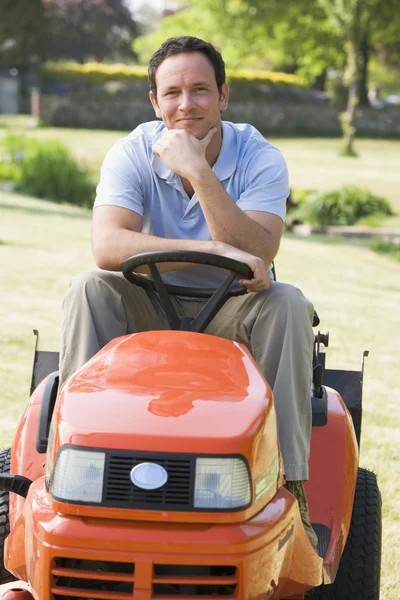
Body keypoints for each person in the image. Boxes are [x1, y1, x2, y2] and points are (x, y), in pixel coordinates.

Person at [60, 36, 317, 549]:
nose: (186, 104)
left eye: (200, 90)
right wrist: (221, 252)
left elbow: (259, 249)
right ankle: (71, 464)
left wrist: (198, 172)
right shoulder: (132, 151)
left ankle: (290, 486)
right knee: (89, 287)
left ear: (224, 95)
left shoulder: (260, 156)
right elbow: (108, 245)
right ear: (155, 103)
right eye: (172, 93)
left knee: (287, 300)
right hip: (146, 304)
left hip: (234, 310)